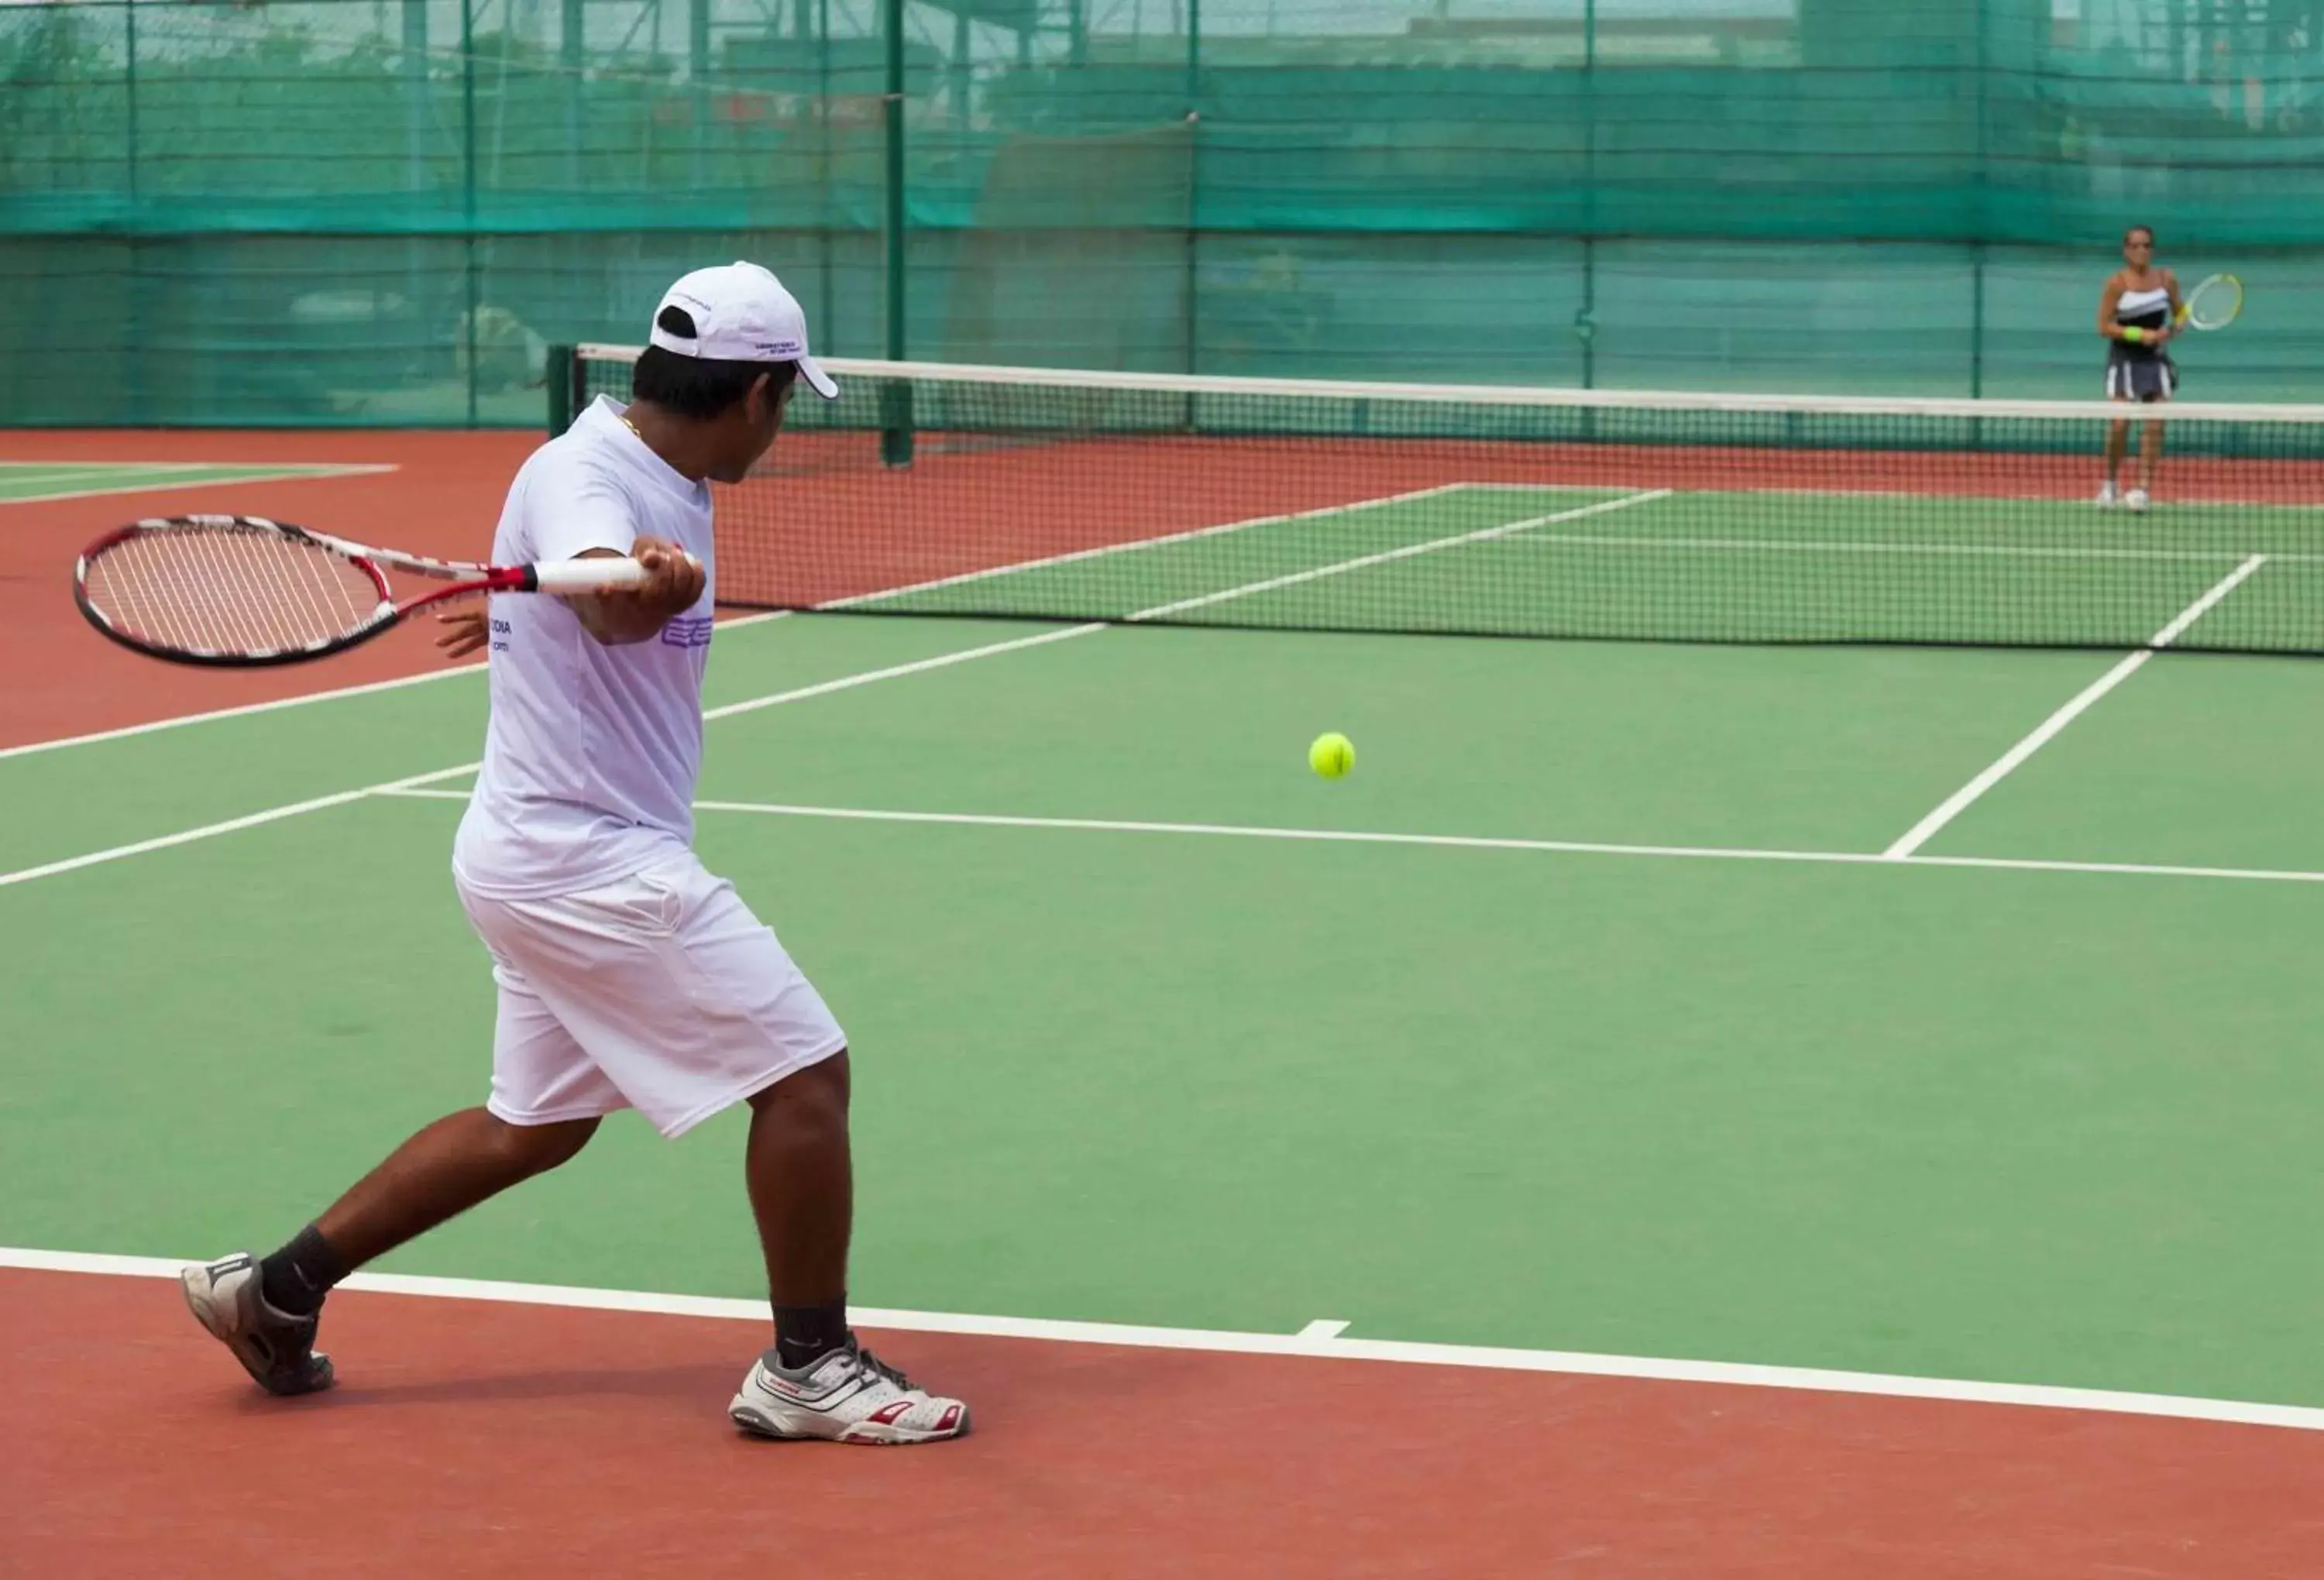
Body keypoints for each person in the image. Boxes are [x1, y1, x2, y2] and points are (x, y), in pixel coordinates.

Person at [178, 262, 971, 1446]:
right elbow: (606, 599)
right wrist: (648, 589)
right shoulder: (590, 474)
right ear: (754, 392)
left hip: (542, 847)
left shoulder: (660, 466)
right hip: (580, 859)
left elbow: (584, 599)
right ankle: (808, 1365)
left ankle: (276, 1291)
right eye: (787, 396)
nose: (784, 418)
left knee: (533, 1127)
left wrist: (622, 591)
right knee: (807, 1073)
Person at [2096, 224, 2183, 511]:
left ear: (2152, 249)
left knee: (2156, 423)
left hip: (2154, 361)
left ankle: (2143, 489)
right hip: (2123, 359)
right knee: (2121, 423)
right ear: (2126, 250)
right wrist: (2140, 334)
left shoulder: (2166, 280)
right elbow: (2104, 326)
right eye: (2135, 245)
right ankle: (2109, 484)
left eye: (2146, 245)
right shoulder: (2116, 283)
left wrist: (2174, 327)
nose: (2141, 250)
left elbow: (2179, 312)